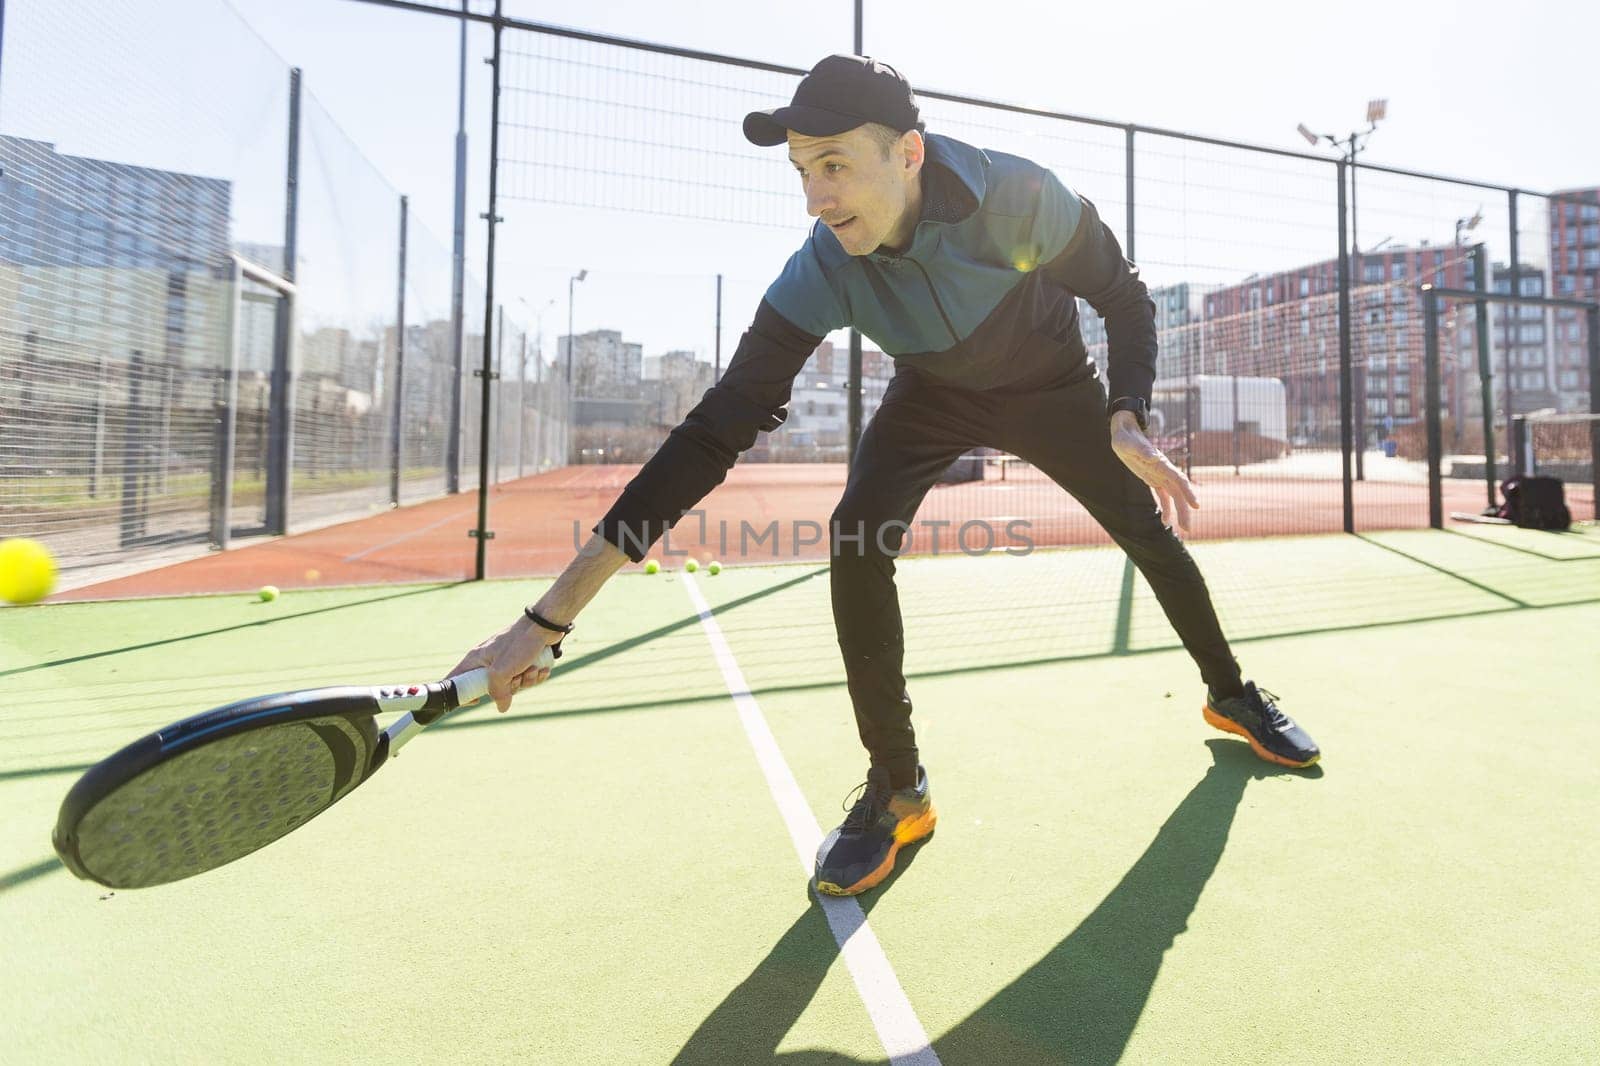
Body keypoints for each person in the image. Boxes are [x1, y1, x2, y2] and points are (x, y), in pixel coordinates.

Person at [450, 54, 1321, 898]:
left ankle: (1232, 694)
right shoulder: (823, 267)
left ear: (907, 153)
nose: (816, 196)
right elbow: (715, 428)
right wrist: (547, 618)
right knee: (855, 539)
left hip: (1051, 384)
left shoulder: (1018, 195)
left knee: (1147, 531)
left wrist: (1127, 409)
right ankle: (898, 788)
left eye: (833, 164)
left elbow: (1123, 296)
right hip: (932, 393)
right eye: (800, 171)